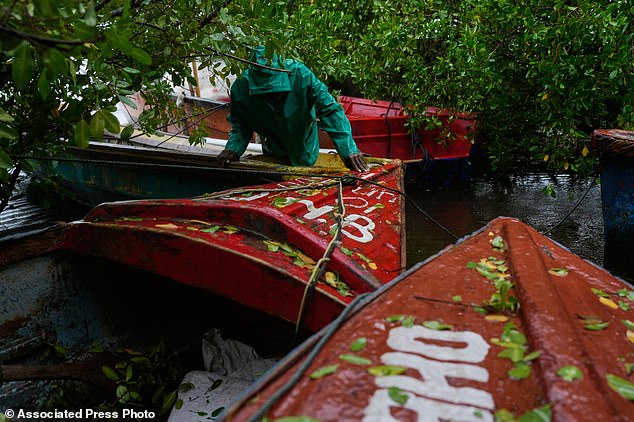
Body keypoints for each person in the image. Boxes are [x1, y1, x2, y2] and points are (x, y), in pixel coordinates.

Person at [217, 46, 369, 172]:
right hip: (273, 151)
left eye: (276, 91)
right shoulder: (240, 89)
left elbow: (331, 110)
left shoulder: (301, 75)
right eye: (266, 93)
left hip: (304, 145)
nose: (272, 96)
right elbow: (241, 127)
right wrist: (233, 148)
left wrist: (349, 150)